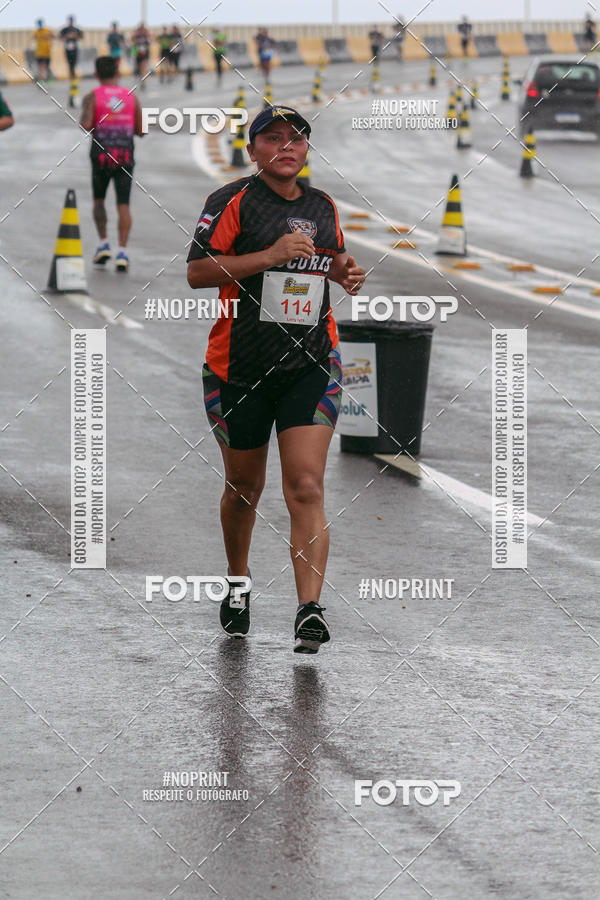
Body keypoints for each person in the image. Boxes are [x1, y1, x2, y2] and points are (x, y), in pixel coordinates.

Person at [186, 105, 366, 653]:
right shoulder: (232, 201)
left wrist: (345, 271)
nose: (286, 147)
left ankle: (309, 610)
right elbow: (197, 272)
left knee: (306, 485)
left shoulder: (322, 205)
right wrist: (269, 255)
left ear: (307, 149)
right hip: (238, 370)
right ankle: (238, 582)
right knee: (244, 489)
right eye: (273, 138)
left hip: (310, 365)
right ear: (253, 150)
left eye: (297, 139)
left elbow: (331, 260)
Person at [80, 56, 143, 272]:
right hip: (125, 156)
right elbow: (141, 130)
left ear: (96, 74)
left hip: (100, 157)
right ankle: (122, 252)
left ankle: (104, 243)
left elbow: (86, 124)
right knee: (123, 204)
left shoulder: (91, 97)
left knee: (99, 201)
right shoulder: (131, 96)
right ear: (117, 72)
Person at [59, 15, 83, 79]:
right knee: (69, 61)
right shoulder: (64, 29)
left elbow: (81, 36)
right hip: (67, 48)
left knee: (74, 61)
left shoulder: (76, 29)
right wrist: (67, 36)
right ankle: (71, 74)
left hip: (74, 48)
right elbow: (60, 37)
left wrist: (74, 36)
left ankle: (73, 73)